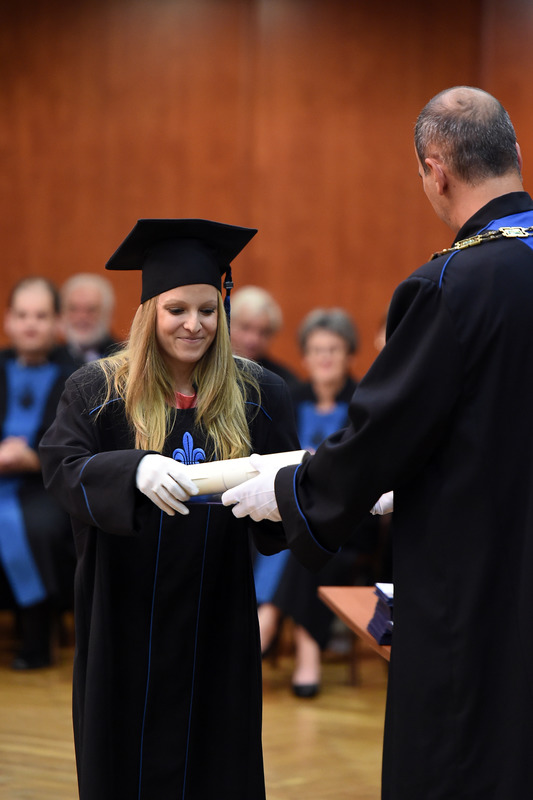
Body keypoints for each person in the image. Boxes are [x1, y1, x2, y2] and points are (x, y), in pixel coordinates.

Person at [222, 87, 533, 798]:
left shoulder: (451, 284)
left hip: (478, 579)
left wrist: (290, 491)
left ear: (435, 171)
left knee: (464, 752)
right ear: (514, 154)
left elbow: (379, 436)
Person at [39, 219, 300, 800]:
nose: (194, 324)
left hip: (217, 615)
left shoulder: (260, 395)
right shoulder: (98, 391)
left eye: (208, 310)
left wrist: (302, 493)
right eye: (176, 309)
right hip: (123, 611)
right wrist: (130, 468)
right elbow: (60, 468)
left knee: (217, 761)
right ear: (148, 313)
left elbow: (284, 509)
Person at [255, 308, 378, 697]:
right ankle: (305, 651)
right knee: (292, 536)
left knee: (310, 539)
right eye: (316, 350)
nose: (324, 357)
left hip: (350, 520)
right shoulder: (289, 399)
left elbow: (365, 473)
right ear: (304, 357)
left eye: (333, 349)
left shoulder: (365, 403)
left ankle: (266, 624)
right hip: (288, 514)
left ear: (349, 355)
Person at [0, 277, 79, 669]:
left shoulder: (76, 376)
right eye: (22, 315)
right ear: (8, 321)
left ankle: (37, 637)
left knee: (39, 526)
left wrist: (32, 457)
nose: (30, 324)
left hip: (47, 484)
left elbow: (78, 444)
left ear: (58, 323)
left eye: (41, 316)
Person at [230, 284, 301, 392]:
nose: (253, 340)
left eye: (263, 332)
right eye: (245, 328)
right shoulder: (209, 369)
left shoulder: (283, 382)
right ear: (228, 324)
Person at [60, 272, 119, 361]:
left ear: (106, 313)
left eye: (91, 310)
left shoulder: (122, 359)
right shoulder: (49, 359)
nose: (81, 316)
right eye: (73, 309)